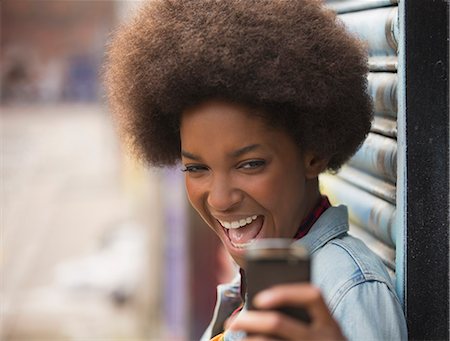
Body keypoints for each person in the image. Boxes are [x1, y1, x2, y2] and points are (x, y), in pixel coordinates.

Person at [104, 0, 408, 340]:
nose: (220, 199)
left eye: (250, 164)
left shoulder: (348, 293)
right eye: (197, 167)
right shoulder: (253, 289)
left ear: (314, 153)